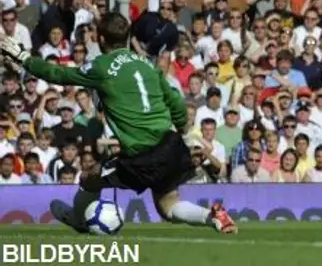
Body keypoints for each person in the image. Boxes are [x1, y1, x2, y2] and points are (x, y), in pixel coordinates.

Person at [0, 12, 237, 233]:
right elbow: (175, 102)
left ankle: (78, 220)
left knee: (88, 178)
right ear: (127, 37)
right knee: (168, 205)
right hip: (171, 144)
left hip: (141, 154)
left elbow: (57, 75)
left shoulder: (101, 66)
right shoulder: (146, 65)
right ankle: (212, 216)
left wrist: (22, 57)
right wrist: (183, 131)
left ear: (101, 38)